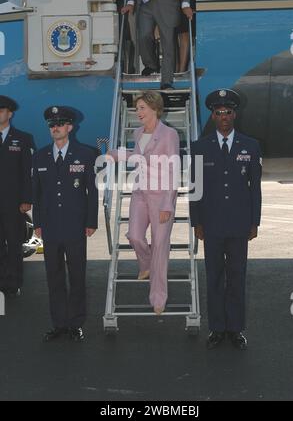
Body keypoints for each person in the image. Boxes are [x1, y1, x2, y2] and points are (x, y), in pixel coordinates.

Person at [189, 89, 262, 350]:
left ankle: (235, 329)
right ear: (213, 115)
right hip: (212, 224)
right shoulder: (200, 147)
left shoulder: (250, 145)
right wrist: (196, 222)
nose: (224, 117)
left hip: (240, 224)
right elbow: (195, 187)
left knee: (237, 276)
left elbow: (255, 188)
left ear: (235, 114)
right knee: (215, 276)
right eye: (219, 113)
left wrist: (255, 222)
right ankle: (217, 328)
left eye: (228, 112)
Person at [108, 91, 180, 314]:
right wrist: (120, 154)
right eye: (136, 108)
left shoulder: (169, 134)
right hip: (140, 194)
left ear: (154, 110)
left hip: (161, 197)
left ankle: (158, 297)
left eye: (141, 108)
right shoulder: (138, 132)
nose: (137, 112)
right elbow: (140, 156)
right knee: (134, 235)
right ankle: (146, 263)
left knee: (160, 246)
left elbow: (173, 170)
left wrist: (168, 204)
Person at [32, 106, 98, 342]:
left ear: (70, 127)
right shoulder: (40, 156)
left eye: (60, 123)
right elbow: (37, 194)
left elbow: (92, 192)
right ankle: (59, 323)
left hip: (75, 225)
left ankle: (75, 324)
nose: (55, 128)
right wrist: (37, 223)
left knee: (77, 275)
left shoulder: (86, 154)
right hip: (49, 226)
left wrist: (91, 221)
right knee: (54, 276)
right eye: (52, 124)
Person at [121, 0, 193, 89]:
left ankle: (167, 80)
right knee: (144, 36)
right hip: (145, 4)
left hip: (167, 5)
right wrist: (130, 2)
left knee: (168, 42)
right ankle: (151, 65)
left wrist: (185, 4)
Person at [0, 95, 33, 297]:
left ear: (10, 114)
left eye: (1, 110)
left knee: (14, 243)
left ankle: (13, 283)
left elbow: (27, 172)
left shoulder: (22, 138)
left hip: (13, 203)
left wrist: (27, 199)